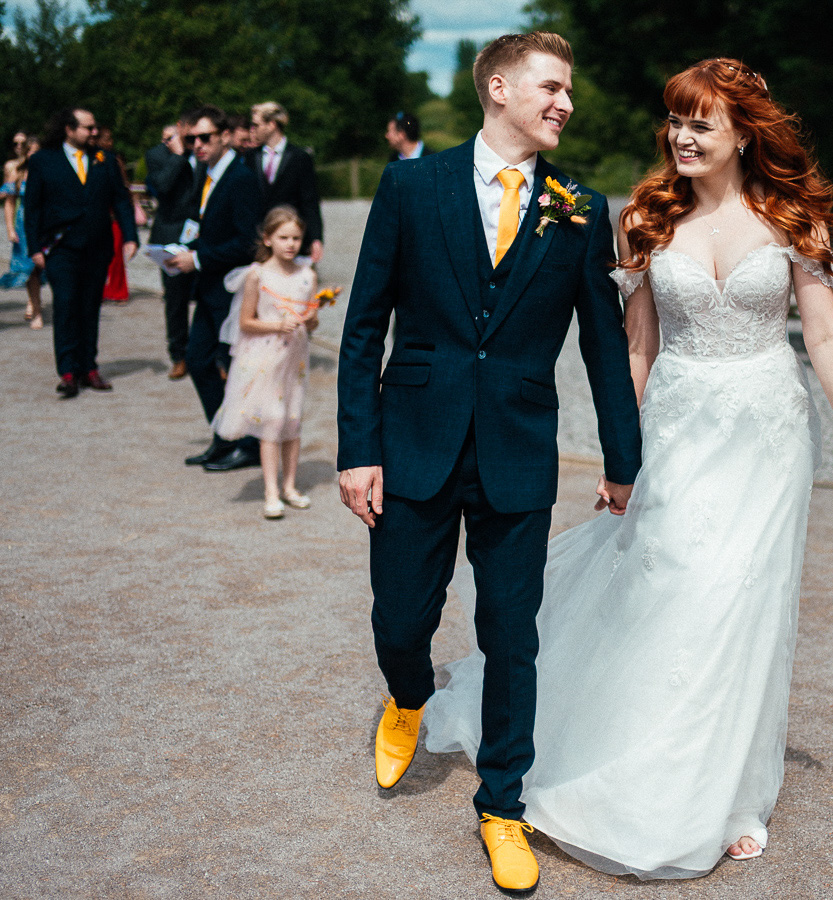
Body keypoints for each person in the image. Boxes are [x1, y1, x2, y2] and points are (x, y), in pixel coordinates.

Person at [423, 58, 833, 879]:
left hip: (767, 434)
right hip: (680, 430)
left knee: (742, 603)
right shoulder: (647, 218)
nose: (682, 136)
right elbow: (637, 344)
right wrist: (624, 452)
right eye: (676, 121)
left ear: (744, 134)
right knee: (673, 584)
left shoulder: (793, 219)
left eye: (702, 123)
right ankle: (621, 751)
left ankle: (727, 796)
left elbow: (823, 335)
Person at [335, 32, 643, 894]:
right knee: (401, 618)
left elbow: (603, 344)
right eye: (552, 86)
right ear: (499, 87)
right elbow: (364, 328)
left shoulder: (580, 205)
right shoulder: (410, 186)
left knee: (513, 639)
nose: (566, 103)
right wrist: (358, 450)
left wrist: (625, 457)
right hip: (412, 446)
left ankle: (502, 805)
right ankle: (406, 699)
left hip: (516, 453)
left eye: (570, 90)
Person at [169, 105, 264, 470]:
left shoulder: (240, 178)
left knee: (237, 369)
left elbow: (246, 242)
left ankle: (249, 444)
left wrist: (198, 259)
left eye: (204, 137)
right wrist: (181, 252)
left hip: (232, 290)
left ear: (225, 136)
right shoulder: (205, 174)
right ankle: (225, 436)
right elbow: (201, 226)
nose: (197, 145)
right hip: (209, 288)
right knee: (197, 360)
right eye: (190, 139)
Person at [212, 207, 320, 518]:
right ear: (268, 238)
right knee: (272, 418)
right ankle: (271, 490)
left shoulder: (307, 276)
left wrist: (311, 319)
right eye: (283, 237)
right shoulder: (257, 275)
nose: (290, 244)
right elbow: (245, 321)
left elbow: (310, 323)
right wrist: (276, 325)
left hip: (294, 357)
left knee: (292, 418)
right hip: (263, 355)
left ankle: (290, 486)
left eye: (296, 238)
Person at [25, 108, 138, 398]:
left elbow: (121, 200)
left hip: (98, 246)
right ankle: (67, 371)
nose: (94, 133)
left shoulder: (106, 160)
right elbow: (33, 207)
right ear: (69, 129)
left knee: (89, 307)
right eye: (88, 128)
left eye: (95, 127)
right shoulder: (42, 161)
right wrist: (34, 247)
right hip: (61, 247)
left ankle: (88, 367)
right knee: (65, 305)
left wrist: (130, 237)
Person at [145, 118, 199, 379]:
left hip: (201, 232)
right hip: (171, 233)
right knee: (175, 299)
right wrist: (177, 156)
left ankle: (207, 354)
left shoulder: (202, 150)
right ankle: (179, 355)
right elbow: (163, 188)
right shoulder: (158, 155)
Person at [247, 102, 323, 262]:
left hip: (290, 239)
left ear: (271, 125)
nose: (252, 130)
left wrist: (316, 238)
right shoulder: (250, 157)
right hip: (257, 242)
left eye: (256, 125)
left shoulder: (300, 157)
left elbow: (310, 201)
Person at [0, 135, 46, 328]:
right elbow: (9, 203)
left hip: (48, 223)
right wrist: (10, 229)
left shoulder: (52, 171)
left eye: (37, 150)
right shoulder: (17, 172)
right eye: (30, 150)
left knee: (50, 266)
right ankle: (36, 309)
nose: (33, 154)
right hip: (25, 223)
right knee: (30, 267)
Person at [96, 126, 131, 304]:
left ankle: (118, 290)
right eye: (106, 139)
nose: (110, 143)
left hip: (113, 216)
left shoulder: (114, 160)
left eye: (111, 139)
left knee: (116, 257)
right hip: (98, 216)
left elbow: (123, 188)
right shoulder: (91, 159)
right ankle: (99, 290)